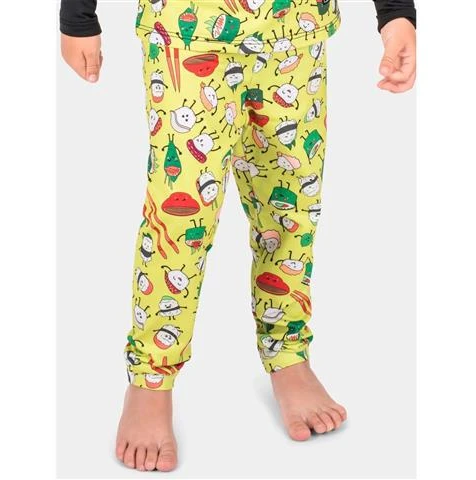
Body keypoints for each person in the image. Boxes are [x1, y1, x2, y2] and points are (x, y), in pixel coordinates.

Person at [60, 0, 416, 473]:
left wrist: (395, 13)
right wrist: (78, 15)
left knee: (290, 205)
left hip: (294, 33)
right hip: (188, 34)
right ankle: (151, 377)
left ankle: (287, 352)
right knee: (179, 216)